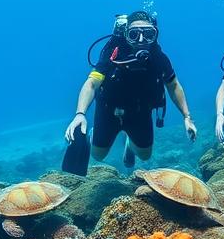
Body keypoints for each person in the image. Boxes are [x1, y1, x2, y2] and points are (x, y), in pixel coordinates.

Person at [65, 11, 197, 168]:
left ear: (155, 35)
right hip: (109, 111)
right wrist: (80, 115)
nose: (141, 40)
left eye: (148, 34)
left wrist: (187, 117)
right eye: (134, 34)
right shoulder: (112, 55)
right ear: (126, 35)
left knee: (145, 156)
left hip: (140, 112)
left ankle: (129, 143)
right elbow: (92, 83)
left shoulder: (159, 58)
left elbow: (173, 85)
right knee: (98, 156)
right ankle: (94, 135)